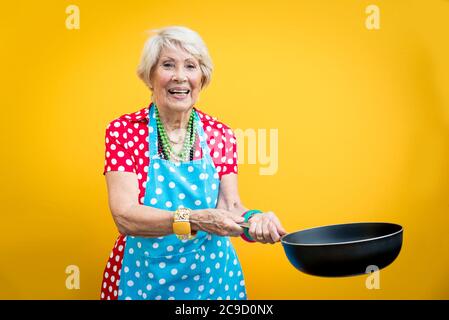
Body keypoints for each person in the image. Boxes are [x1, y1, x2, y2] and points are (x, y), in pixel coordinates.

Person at [100, 26, 286, 300]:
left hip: (212, 280)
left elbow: (230, 206)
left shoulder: (220, 134)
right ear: (150, 76)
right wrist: (196, 219)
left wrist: (254, 220)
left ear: (202, 78)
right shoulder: (124, 131)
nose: (180, 76)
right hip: (143, 277)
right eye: (167, 65)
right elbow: (125, 216)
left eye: (190, 66)